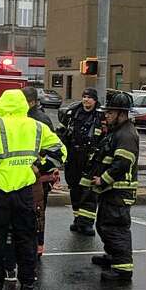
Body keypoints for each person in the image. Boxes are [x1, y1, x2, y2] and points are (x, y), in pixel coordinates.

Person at [0, 88, 66, 290]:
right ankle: (28, 286)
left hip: (1, 193)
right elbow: (60, 152)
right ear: (24, 104)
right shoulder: (36, 126)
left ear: (1, 105)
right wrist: (40, 166)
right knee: (27, 238)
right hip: (25, 192)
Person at [89, 90, 139, 282]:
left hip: (118, 190)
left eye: (110, 112)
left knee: (115, 228)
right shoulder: (117, 131)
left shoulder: (126, 135)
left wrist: (103, 179)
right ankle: (112, 257)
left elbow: (122, 163)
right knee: (104, 225)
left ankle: (123, 268)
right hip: (111, 191)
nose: (106, 115)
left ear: (122, 113)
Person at [58, 87, 104, 236]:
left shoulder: (100, 116)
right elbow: (62, 133)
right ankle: (78, 220)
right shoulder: (73, 112)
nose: (86, 100)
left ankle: (87, 223)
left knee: (89, 191)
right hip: (73, 156)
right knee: (75, 189)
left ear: (95, 100)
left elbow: (105, 138)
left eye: (89, 97)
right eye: (84, 96)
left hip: (91, 159)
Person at [23, 85, 58, 259]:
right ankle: (33, 246)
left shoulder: (40, 120)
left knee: (37, 213)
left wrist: (40, 168)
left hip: (39, 177)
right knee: (35, 213)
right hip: (29, 174)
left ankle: (37, 247)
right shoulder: (30, 117)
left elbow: (53, 149)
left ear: (32, 102)